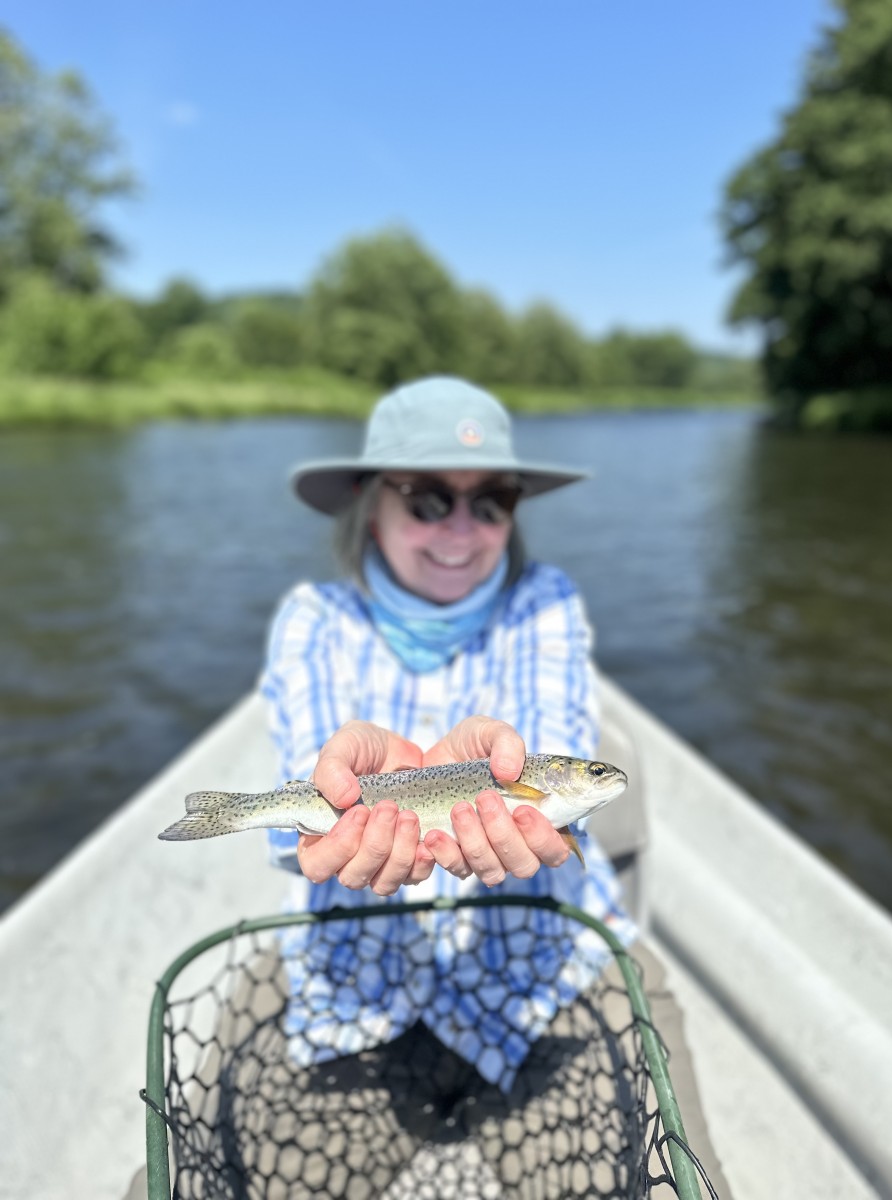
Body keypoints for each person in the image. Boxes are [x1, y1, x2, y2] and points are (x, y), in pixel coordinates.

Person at [251, 377, 723, 1198]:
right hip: (354, 984)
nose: (463, 531)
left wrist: (536, 778)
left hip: (551, 972)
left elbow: (555, 743)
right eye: (429, 500)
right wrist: (320, 821)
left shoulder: (545, 601)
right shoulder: (312, 618)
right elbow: (305, 811)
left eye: (493, 500)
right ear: (369, 501)